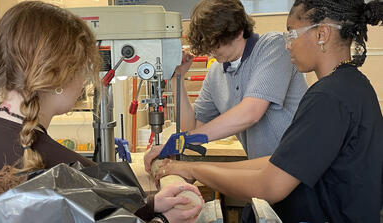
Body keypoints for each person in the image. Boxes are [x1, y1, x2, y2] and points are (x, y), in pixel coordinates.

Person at [154, 0, 383, 222]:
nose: (288, 44)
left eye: (292, 34)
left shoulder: (328, 97)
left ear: (322, 34)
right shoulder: (347, 86)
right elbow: (277, 162)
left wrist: (192, 167)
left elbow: (269, 184)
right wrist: (190, 167)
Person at [0, 2, 203, 223]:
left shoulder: (59, 170)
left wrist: (150, 207)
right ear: (59, 74)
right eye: (84, 66)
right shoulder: (61, 171)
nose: (85, 79)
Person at [144, 0, 308, 172]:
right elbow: (192, 128)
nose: (211, 51)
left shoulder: (272, 47)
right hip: (266, 174)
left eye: (216, 43)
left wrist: (182, 142)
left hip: (302, 171)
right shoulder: (216, 73)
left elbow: (250, 112)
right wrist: (177, 78)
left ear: (237, 32)